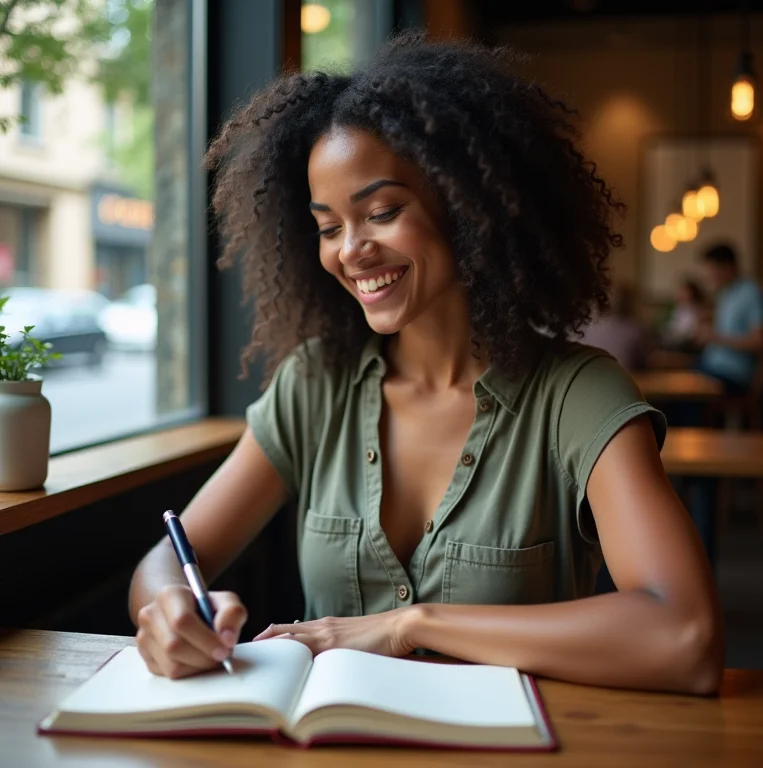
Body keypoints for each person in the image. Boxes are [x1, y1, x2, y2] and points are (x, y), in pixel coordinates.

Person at [128, 34, 723, 694]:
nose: (351, 250)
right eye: (328, 226)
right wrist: (169, 610)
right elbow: (169, 559)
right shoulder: (315, 384)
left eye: (381, 212)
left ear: (468, 206)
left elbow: (685, 638)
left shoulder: (576, 396)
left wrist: (413, 624)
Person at [697, 244, 763, 394]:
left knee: (684, 393)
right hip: (712, 366)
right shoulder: (726, 293)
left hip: (733, 374)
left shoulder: (751, 293)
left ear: (728, 267)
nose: (709, 275)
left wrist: (716, 337)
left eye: (712, 269)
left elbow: (760, 341)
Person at [580, 284, 651, 370]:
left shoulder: (589, 327)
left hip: (592, 377)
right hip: (626, 378)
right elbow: (645, 361)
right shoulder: (635, 329)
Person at [662, 278, 707, 352]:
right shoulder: (678, 309)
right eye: (680, 291)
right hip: (675, 341)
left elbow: (693, 332)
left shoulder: (698, 310)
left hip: (689, 344)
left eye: (684, 292)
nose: (680, 294)